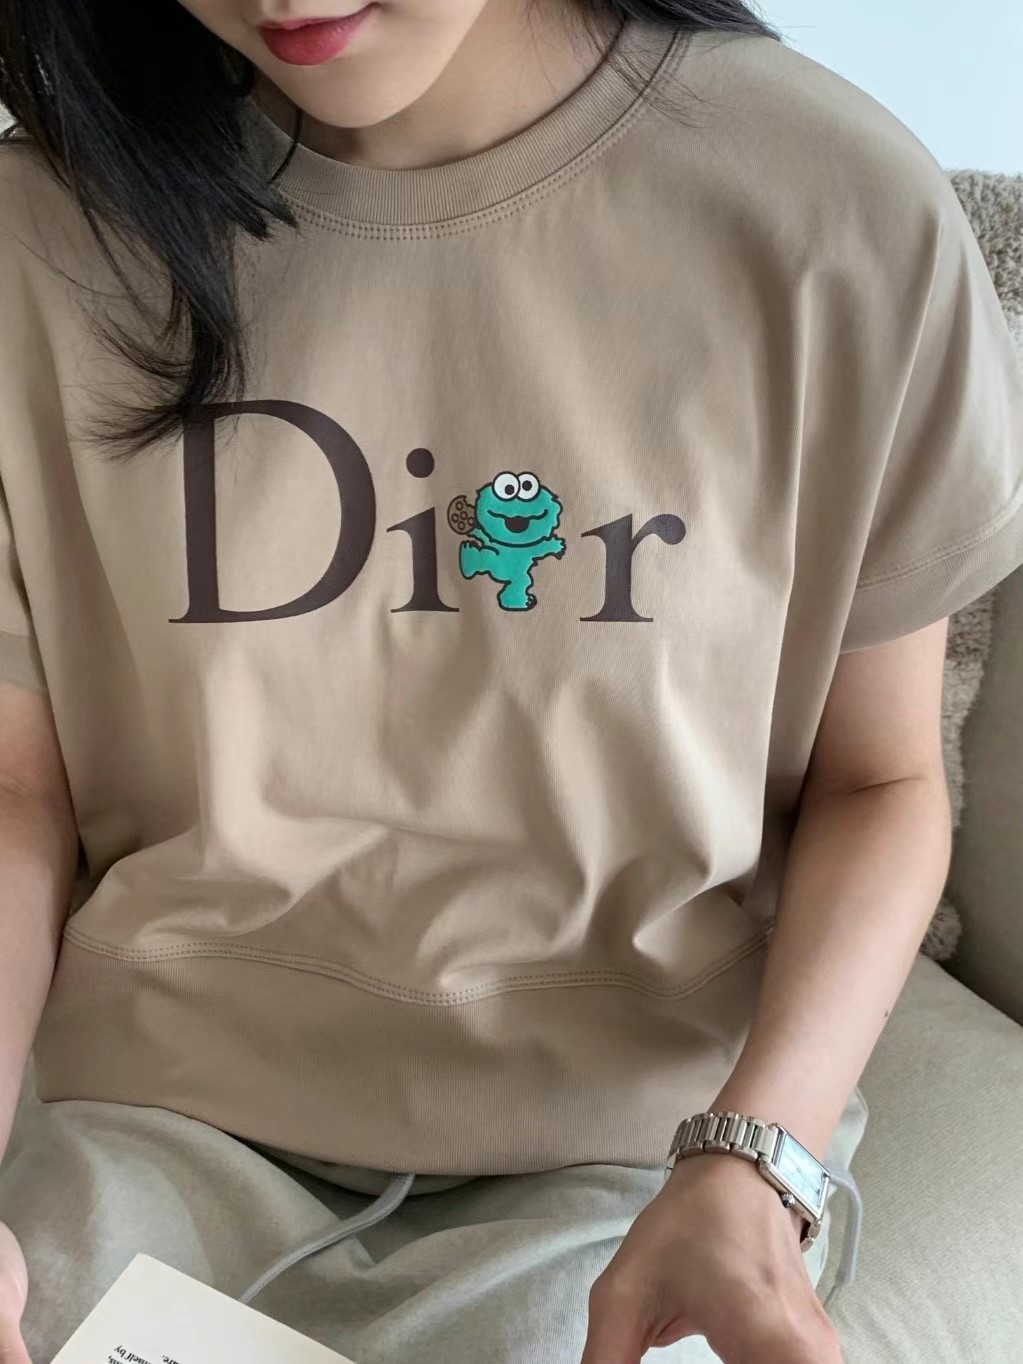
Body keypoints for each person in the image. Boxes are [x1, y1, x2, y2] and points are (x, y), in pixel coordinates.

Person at [0, 0, 1021, 1358]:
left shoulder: (840, 210)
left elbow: (880, 782)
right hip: (148, 1108)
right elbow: (15, 792)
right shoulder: (41, 233)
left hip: (643, 1138)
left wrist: (755, 1158)